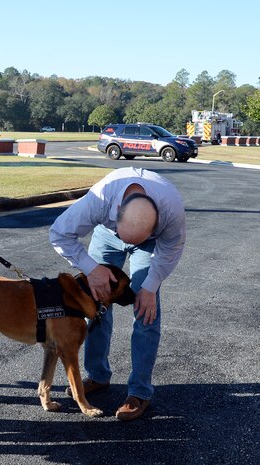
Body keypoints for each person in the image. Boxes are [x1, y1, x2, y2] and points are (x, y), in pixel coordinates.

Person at [49, 167, 186, 421]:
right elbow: (59, 233)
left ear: (157, 221)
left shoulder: (171, 210)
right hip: (107, 235)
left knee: (146, 311)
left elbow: (171, 249)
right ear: (117, 210)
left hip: (150, 245)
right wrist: (91, 269)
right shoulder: (100, 199)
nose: (129, 246)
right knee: (95, 305)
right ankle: (98, 375)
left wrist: (151, 285)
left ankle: (140, 392)